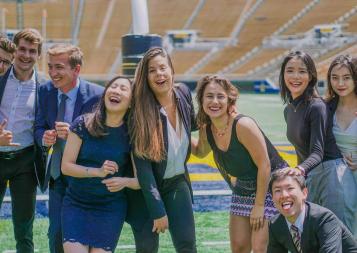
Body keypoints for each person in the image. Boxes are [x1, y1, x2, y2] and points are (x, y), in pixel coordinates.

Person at [191, 75, 288, 253]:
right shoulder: (207, 129)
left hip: (271, 184)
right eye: (209, 96)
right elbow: (199, 151)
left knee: (260, 248)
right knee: (239, 247)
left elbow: (265, 165)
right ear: (201, 100)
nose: (214, 101)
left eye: (220, 96)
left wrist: (259, 206)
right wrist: (176, 129)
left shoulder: (243, 124)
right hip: (244, 186)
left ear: (229, 99)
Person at [34, 44, 103, 253]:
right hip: (57, 177)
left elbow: (104, 138)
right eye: (50, 67)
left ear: (77, 69)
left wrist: (75, 132)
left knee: (87, 235)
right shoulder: (45, 91)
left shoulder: (97, 95)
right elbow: (38, 127)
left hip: (86, 178)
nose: (53, 73)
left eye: (59, 67)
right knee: (56, 233)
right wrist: (43, 138)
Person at [129, 47, 197, 253]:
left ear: (171, 71)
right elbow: (144, 170)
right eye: (152, 70)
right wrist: (158, 211)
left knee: (187, 245)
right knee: (147, 249)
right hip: (147, 190)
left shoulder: (183, 93)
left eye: (162, 68)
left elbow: (195, 125)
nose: (159, 74)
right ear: (146, 77)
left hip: (177, 183)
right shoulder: (139, 111)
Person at [61, 76, 139, 253]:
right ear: (105, 93)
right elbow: (66, 166)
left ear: (131, 102)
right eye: (113, 86)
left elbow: (141, 180)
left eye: (123, 89)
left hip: (110, 209)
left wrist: (124, 182)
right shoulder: (82, 123)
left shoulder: (132, 134)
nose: (116, 91)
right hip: (77, 204)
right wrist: (97, 171)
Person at [279, 51, 349, 226]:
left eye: (302, 71)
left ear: (311, 76)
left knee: (336, 237)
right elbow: (300, 151)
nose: (296, 76)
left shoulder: (316, 106)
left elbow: (317, 152)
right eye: (290, 71)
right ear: (283, 75)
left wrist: (300, 170)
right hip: (312, 177)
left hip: (332, 177)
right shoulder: (289, 110)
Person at [0, 28, 45, 253]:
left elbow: (44, 126)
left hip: (25, 162)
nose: (26, 55)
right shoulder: (0, 78)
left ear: (39, 55)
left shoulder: (44, 88)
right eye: (22, 49)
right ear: (15, 49)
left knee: (24, 225)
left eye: (32, 51)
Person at [268, 169, 357, 253]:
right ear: (272, 198)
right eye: (278, 190)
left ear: (304, 193)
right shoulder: (275, 224)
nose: (284, 195)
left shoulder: (324, 219)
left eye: (290, 188)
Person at [326, 55, 357, 234]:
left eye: (346, 77)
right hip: (337, 180)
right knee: (344, 231)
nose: (340, 83)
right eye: (335, 77)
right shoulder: (326, 108)